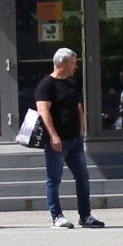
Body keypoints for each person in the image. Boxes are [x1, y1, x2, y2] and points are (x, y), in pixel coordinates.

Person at [33, 47, 101, 228]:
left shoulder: (72, 82)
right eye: (73, 63)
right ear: (61, 64)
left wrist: (81, 130)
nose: (75, 66)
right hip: (57, 142)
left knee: (83, 178)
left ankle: (85, 216)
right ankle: (57, 216)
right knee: (54, 180)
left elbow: (79, 107)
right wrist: (53, 136)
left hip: (75, 140)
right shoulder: (46, 85)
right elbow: (43, 111)